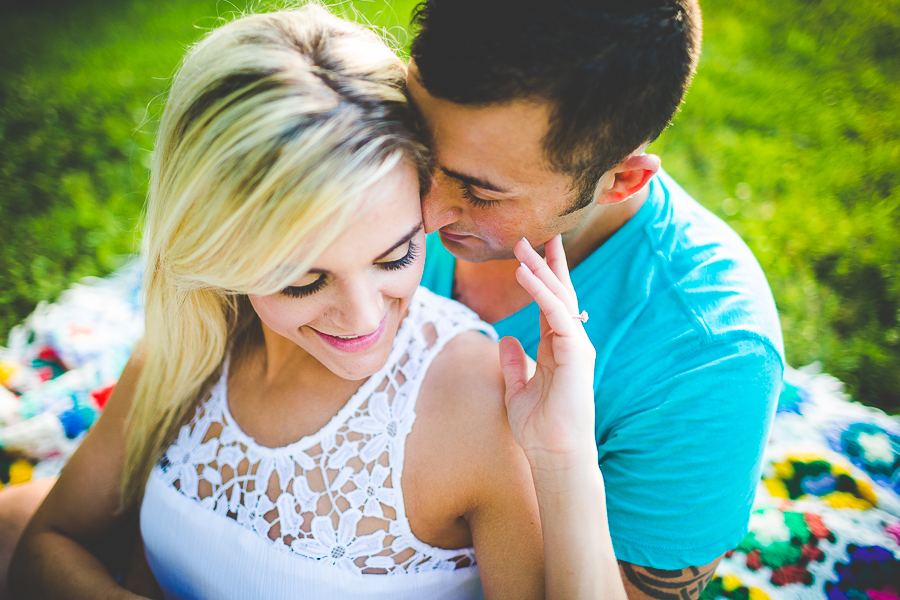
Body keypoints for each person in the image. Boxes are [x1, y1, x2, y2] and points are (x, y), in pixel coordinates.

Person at [8, 6, 624, 599]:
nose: (362, 319)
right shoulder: (196, 341)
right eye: (302, 281)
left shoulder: (478, 404)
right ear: (219, 254)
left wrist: (564, 458)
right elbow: (49, 546)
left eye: (397, 256)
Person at [408, 0, 784, 597]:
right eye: (420, 150)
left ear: (621, 180)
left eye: (481, 194)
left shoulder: (709, 353)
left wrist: (562, 459)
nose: (422, 215)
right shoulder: (358, 144)